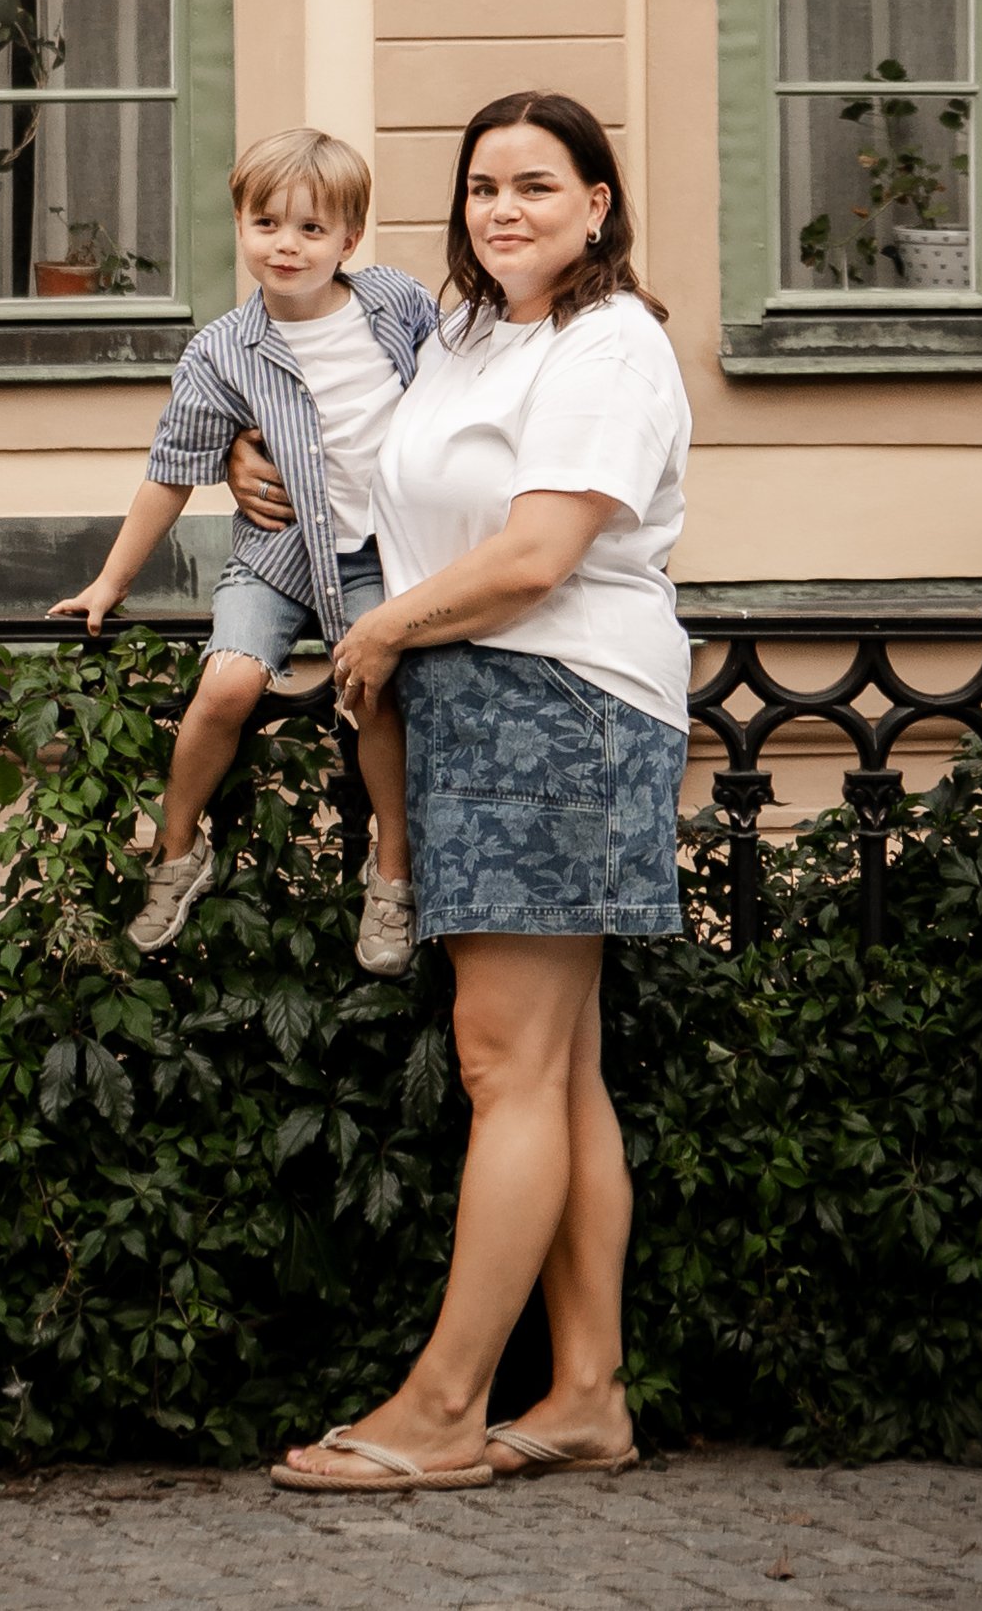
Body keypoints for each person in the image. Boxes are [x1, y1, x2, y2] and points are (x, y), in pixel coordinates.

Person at [257, 89, 692, 1493]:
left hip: (557, 698)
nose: (505, 208)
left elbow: (535, 554)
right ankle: (584, 1394)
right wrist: (265, 469)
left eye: (539, 185)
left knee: (506, 1062)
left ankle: (446, 1406)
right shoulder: (462, 334)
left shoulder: (609, 342)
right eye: (485, 186)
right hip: (484, 702)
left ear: (599, 204)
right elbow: (383, 464)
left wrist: (380, 630)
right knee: (558, 1071)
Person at [49, 125, 436, 975]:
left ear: (349, 237)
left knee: (374, 688)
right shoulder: (222, 352)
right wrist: (110, 582)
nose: (286, 246)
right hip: (276, 552)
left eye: (309, 229)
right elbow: (168, 474)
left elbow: (466, 382)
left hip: (379, 554)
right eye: (266, 224)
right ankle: (178, 850)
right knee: (225, 686)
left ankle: (394, 871)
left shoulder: (398, 306)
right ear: (239, 224)